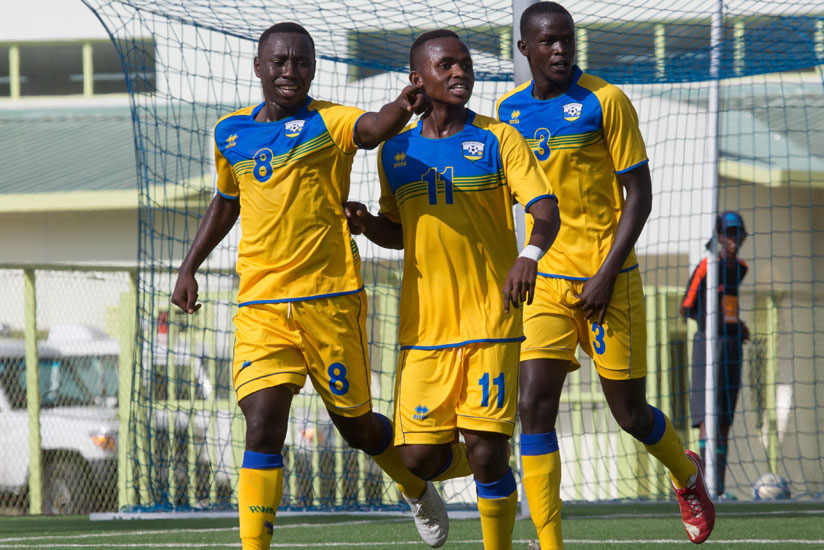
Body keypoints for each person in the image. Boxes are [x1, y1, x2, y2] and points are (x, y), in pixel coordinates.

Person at [171, 22, 448, 550]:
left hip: (330, 301)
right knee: (262, 420)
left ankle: (415, 486)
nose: (289, 72)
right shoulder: (230, 133)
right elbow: (227, 201)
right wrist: (190, 266)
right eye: (278, 62)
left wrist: (402, 105)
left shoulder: (329, 121)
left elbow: (371, 129)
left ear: (313, 70)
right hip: (261, 305)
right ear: (258, 67)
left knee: (359, 429)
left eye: (300, 62)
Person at [496, 2, 715, 547]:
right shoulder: (507, 110)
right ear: (525, 49)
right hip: (546, 283)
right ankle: (550, 542)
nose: (560, 49)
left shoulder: (606, 100)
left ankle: (686, 475)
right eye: (547, 41)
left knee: (630, 414)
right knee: (533, 406)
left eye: (567, 39)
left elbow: (638, 198)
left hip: (607, 280)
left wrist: (605, 274)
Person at [345, 30, 561, 550]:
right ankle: (487, 456)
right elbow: (400, 231)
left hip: (492, 322)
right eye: (446, 65)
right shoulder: (396, 150)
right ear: (417, 80)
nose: (460, 72)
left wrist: (528, 256)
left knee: (486, 451)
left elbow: (546, 213)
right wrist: (366, 223)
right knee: (417, 457)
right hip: (424, 329)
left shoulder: (499, 139)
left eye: (464, 64)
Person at [680, 211, 750, 499]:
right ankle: (706, 487)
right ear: (720, 238)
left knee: (725, 418)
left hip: (732, 346)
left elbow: (729, 306)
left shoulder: (740, 269)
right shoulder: (708, 266)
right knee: (707, 416)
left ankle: (719, 489)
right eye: (729, 234)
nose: (734, 240)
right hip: (708, 346)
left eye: (738, 235)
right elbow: (687, 306)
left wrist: (737, 326)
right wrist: (715, 322)